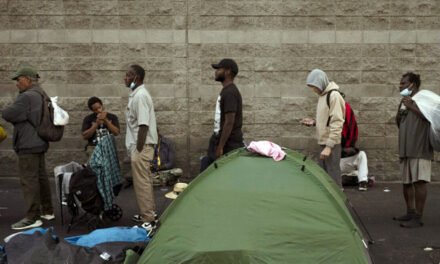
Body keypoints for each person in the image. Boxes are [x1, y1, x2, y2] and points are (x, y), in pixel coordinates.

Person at [2, 64, 54, 230]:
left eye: (18, 80)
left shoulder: (26, 96)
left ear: (27, 79)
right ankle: (47, 210)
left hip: (28, 143)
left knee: (29, 181)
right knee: (40, 177)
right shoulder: (41, 94)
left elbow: (8, 114)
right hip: (39, 142)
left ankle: (32, 217)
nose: (17, 83)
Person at [393, 72, 433, 228]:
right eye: (400, 83)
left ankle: (418, 217)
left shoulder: (424, 99)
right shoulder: (404, 101)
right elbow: (400, 121)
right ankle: (410, 211)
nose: (400, 86)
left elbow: (431, 117)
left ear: (412, 84)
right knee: (407, 182)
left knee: (419, 182)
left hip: (420, 147)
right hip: (405, 148)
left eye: (403, 83)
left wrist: (412, 106)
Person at [124, 64, 158, 233]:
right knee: (145, 181)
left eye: (128, 75)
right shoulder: (136, 95)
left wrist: (138, 149)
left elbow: (143, 125)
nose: (125, 78)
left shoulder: (140, 96)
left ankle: (148, 220)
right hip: (141, 146)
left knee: (142, 183)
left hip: (142, 147)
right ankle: (150, 213)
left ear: (136, 78)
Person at [301, 69, 345, 187]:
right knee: (325, 179)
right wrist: (315, 122)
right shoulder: (322, 96)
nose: (313, 90)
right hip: (324, 143)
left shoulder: (333, 95)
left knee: (333, 178)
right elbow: (328, 120)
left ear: (320, 82)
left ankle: (340, 204)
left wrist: (329, 147)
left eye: (314, 86)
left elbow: (337, 122)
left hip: (331, 144)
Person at [200, 58, 244, 172]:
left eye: (219, 69)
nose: (216, 71)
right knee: (207, 169)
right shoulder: (227, 90)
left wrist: (220, 147)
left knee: (219, 174)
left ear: (228, 71)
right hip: (219, 141)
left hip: (228, 145)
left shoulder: (230, 92)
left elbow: (229, 122)